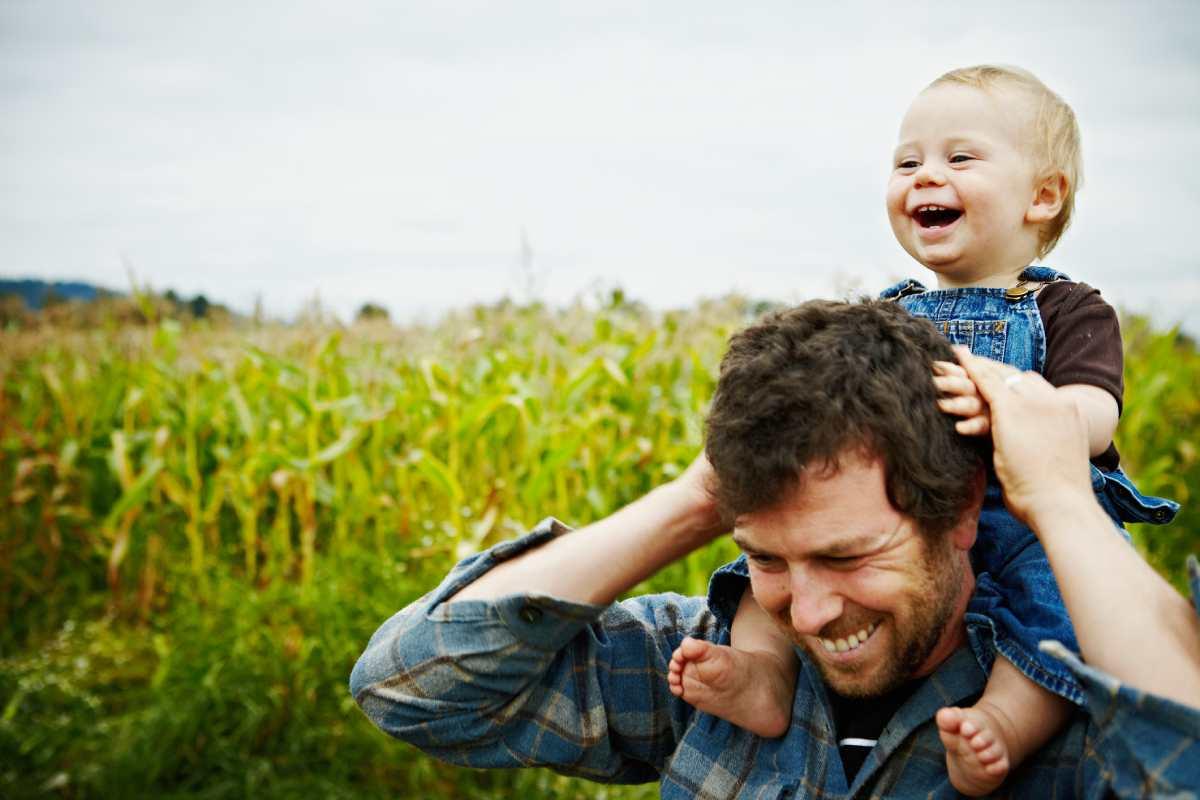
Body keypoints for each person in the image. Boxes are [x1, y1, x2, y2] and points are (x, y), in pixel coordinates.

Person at [350, 299, 1200, 798]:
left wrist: (1057, 496)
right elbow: (412, 687)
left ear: (963, 514)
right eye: (766, 558)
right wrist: (692, 505)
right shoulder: (708, 674)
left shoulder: (1068, 710)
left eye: (846, 556)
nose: (811, 612)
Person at [681, 65, 1180, 795]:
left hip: (1028, 515)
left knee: (1055, 612)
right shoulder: (891, 310)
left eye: (960, 158)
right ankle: (762, 675)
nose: (924, 177)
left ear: (1042, 196)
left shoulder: (1064, 309)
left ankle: (1006, 722)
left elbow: (1098, 412)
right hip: (913, 510)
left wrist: (1022, 411)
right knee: (767, 573)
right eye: (907, 161)